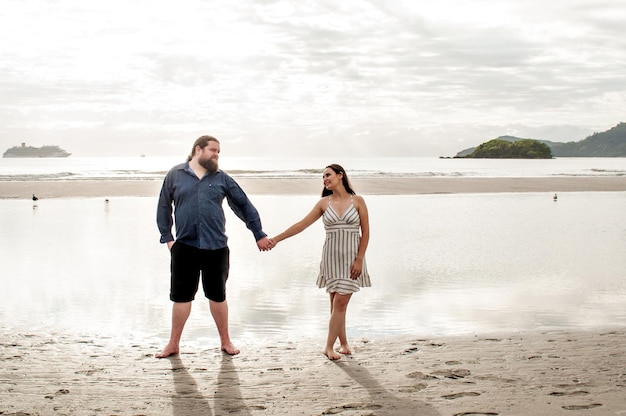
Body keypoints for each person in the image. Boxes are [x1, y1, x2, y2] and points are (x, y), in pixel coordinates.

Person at [156, 135, 273, 358]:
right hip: (184, 247)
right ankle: (173, 344)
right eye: (213, 150)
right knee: (181, 297)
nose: (217, 155)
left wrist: (258, 233)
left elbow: (243, 205)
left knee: (217, 296)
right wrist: (168, 238)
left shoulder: (221, 178)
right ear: (198, 150)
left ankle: (225, 342)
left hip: (216, 247)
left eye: (219, 151)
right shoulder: (175, 175)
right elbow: (163, 206)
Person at [270, 164, 371, 360]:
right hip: (331, 259)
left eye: (328, 175)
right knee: (336, 305)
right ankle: (343, 343)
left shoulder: (358, 201)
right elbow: (301, 225)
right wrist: (276, 239)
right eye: (323, 176)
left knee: (340, 303)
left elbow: (366, 233)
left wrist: (359, 260)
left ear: (340, 175)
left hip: (352, 259)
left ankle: (328, 347)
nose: (324, 179)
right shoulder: (323, 203)